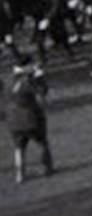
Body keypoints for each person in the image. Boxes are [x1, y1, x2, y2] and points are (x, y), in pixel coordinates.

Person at [7, 54, 53, 184]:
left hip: (13, 118)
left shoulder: (10, 80)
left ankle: (20, 174)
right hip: (30, 116)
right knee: (41, 142)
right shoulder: (27, 81)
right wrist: (40, 77)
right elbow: (42, 91)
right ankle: (46, 167)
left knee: (19, 147)